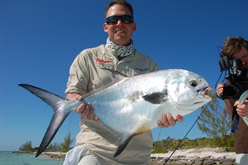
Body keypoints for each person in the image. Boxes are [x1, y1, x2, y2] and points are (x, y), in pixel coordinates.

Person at [63, 0, 183, 164]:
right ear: (106, 27)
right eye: (113, 20)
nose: (119, 23)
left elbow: (157, 108)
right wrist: (77, 103)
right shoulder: (87, 57)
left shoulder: (149, 64)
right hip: (94, 149)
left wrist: (164, 118)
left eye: (125, 19)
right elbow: (72, 93)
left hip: (137, 155)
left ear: (133, 26)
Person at [216, 36, 248, 165]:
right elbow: (231, 114)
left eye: (245, 56)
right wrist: (224, 97)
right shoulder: (231, 82)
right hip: (244, 144)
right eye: (238, 60)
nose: (243, 62)